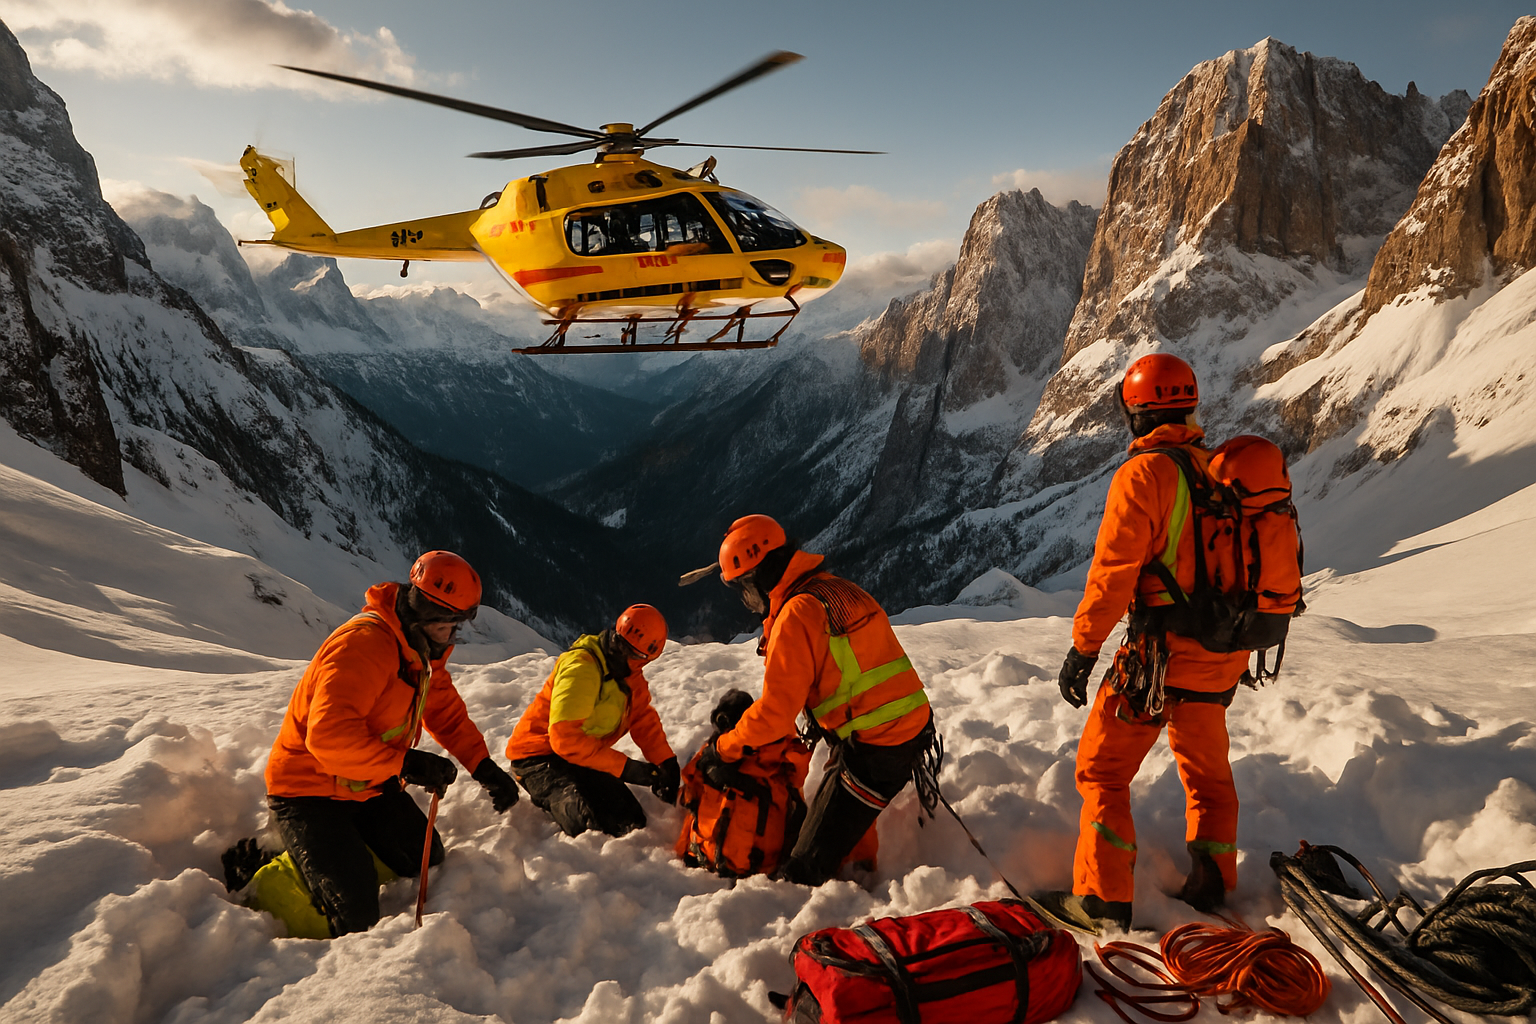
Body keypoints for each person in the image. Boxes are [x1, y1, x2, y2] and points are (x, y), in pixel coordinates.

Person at [1032, 354, 1248, 935]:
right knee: (1208, 774)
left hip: (1158, 660)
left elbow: (1112, 575)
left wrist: (1083, 650)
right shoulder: (1219, 471)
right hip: (1222, 656)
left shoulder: (1145, 475)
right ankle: (1214, 880)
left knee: (1101, 771)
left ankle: (1102, 899)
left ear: (1136, 413)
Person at [261, 550, 522, 937]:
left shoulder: (417, 648)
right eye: (449, 625)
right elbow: (329, 737)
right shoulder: (364, 647)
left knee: (422, 857)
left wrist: (482, 765)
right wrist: (405, 764)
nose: (453, 635)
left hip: (366, 782)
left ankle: (340, 853)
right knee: (354, 915)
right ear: (428, 616)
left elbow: (442, 708)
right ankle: (262, 875)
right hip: (307, 788)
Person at [686, 515, 933, 886]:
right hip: (900, 727)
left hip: (876, 747)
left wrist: (723, 749)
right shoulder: (836, 589)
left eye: (745, 588)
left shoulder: (796, 614)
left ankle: (848, 892)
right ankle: (858, 869)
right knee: (838, 819)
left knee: (803, 871)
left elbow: (775, 714)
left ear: (759, 575)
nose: (747, 600)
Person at [506, 604, 679, 837]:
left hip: (581, 755)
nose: (627, 656)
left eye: (635, 655)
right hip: (537, 756)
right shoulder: (582, 668)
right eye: (624, 646)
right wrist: (627, 769)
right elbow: (564, 739)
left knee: (629, 819)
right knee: (590, 823)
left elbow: (640, 715)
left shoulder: (627, 671)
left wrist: (665, 761)